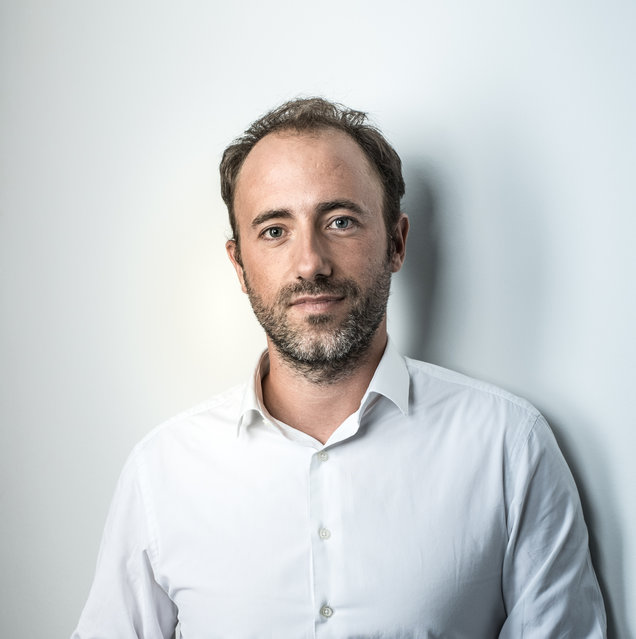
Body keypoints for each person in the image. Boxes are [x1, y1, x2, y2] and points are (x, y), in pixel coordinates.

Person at [72, 98, 607, 638]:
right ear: (238, 264)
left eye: (341, 221)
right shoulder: (162, 473)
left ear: (396, 243)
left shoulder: (508, 447)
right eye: (275, 230)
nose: (310, 263)